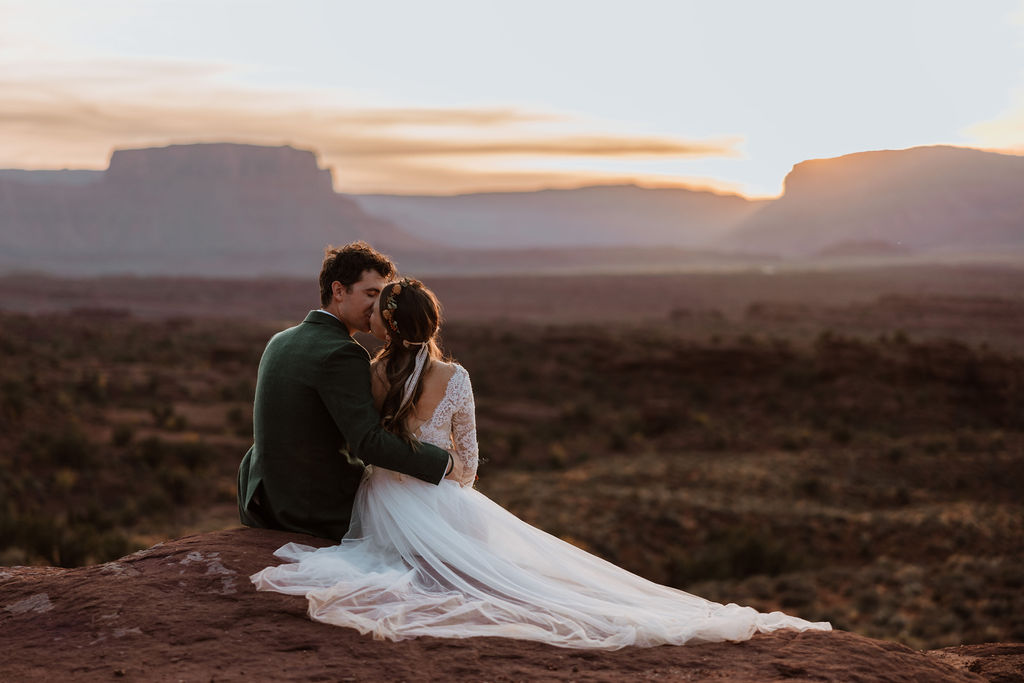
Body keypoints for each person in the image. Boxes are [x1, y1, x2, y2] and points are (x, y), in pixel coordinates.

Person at [250, 278, 832, 649]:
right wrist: (456, 497)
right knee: (504, 574)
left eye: (381, 306)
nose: (373, 313)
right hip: (438, 493)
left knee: (391, 570)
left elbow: (367, 438)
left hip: (382, 499)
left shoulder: (372, 372)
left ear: (390, 325)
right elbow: (467, 459)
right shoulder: (456, 378)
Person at [236, 243, 452, 541]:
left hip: (265, 501)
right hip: (315, 509)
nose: (380, 307)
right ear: (339, 291)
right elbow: (369, 443)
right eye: (371, 294)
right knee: (429, 524)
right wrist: (444, 462)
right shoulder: (342, 353)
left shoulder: (280, 340)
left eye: (383, 296)